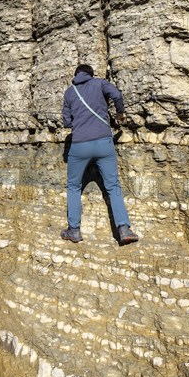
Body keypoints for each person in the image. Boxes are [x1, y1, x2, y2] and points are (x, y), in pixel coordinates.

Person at [61, 64, 139, 245]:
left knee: (73, 187)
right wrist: (119, 114)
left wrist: (75, 120)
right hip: (104, 143)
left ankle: (74, 230)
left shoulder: (69, 92)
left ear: (76, 75)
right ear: (91, 74)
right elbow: (117, 95)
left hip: (79, 145)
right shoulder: (101, 84)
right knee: (113, 186)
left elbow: (66, 121)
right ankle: (124, 229)